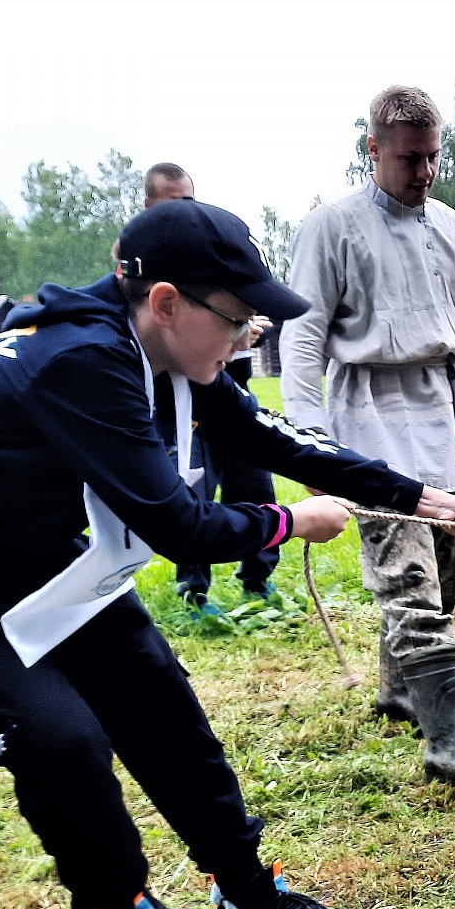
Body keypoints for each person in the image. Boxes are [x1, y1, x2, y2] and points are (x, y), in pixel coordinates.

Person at [0, 199, 455, 909]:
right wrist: (290, 521)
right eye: (237, 318)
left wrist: (418, 496)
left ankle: (246, 891)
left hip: (35, 550)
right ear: (165, 302)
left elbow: (274, 437)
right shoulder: (81, 361)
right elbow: (179, 524)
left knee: (158, 695)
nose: (247, 335)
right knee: (60, 738)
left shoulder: (169, 357)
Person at [280, 86, 455, 786]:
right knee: (406, 574)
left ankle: (397, 687)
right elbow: (302, 336)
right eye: (411, 158)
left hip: (448, 409)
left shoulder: (448, 224)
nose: (425, 171)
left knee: (450, 562)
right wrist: (309, 442)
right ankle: (449, 740)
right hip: (372, 415)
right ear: (374, 148)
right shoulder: (331, 226)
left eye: (433, 156)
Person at [136, 164, 285, 613]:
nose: (184, 212)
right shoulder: (143, 269)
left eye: (189, 201)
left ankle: (258, 579)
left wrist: (242, 330)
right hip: (182, 406)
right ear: (148, 206)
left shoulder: (213, 259)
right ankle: (193, 590)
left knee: (255, 488)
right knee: (193, 493)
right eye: (173, 203)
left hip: (231, 395)